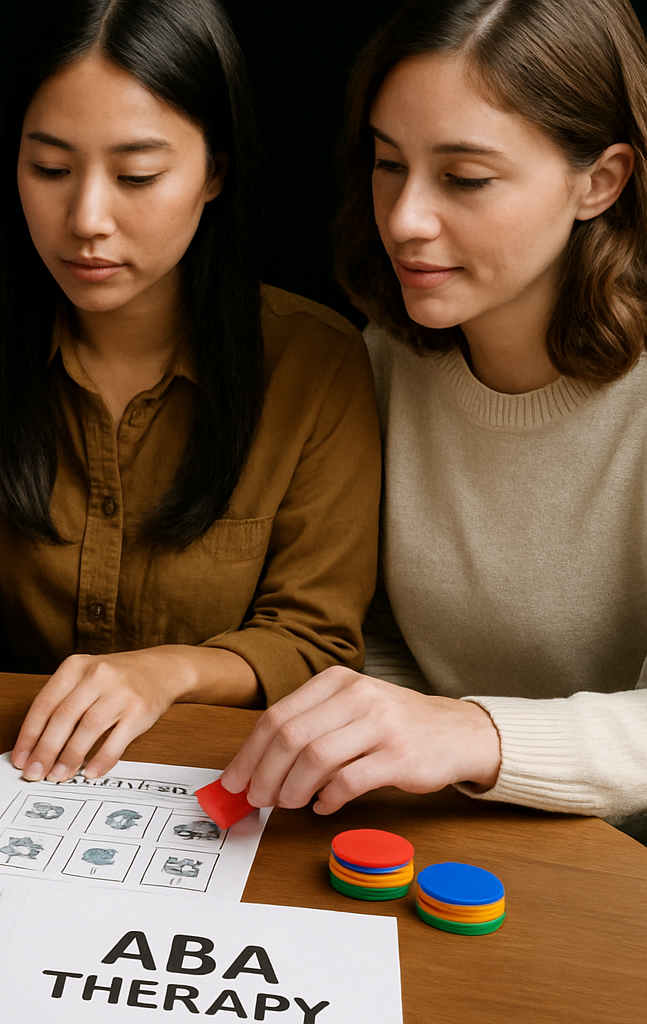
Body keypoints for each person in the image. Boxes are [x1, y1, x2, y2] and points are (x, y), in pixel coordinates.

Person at [0, 0, 382, 819]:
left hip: (215, 793)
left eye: (136, 176)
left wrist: (166, 671)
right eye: (51, 169)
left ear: (215, 172)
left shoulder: (317, 363)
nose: (86, 219)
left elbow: (313, 640)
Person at [220, 0, 647, 842]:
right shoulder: (386, 358)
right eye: (388, 164)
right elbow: (372, 630)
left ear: (600, 182)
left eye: (465, 178)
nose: (405, 219)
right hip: (439, 831)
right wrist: (385, 736)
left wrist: (470, 734)